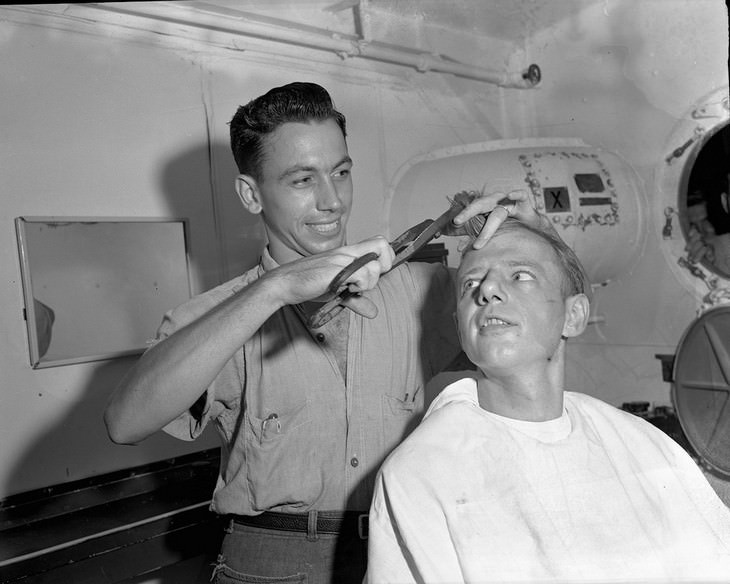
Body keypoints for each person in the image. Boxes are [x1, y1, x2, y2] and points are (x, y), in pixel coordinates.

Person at [103, 81, 540, 583]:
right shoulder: (213, 319)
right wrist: (276, 289)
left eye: (341, 172)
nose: (331, 201)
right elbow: (124, 423)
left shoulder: (421, 290)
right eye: (302, 180)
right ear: (251, 194)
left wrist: (529, 238)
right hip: (272, 563)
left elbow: (543, 333)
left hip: (400, 546)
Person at [366, 217, 730, 583]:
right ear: (460, 327)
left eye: (520, 275)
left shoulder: (644, 446)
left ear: (573, 316)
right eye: (471, 283)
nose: (488, 289)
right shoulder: (419, 473)